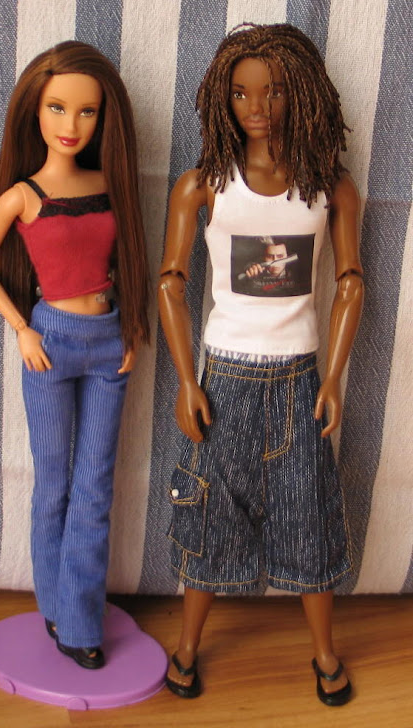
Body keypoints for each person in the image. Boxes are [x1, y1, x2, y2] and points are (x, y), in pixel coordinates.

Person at [158, 23, 363, 705]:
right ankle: (187, 646)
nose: (257, 106)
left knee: (309, 516)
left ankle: (325, 653)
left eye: (273, 91)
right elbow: (170, 283)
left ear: (299, 94)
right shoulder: (202, 187)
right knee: (210, 516)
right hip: (224, 381)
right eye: (242, 93)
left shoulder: (328, 188)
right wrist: (186, 381)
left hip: (300, 381)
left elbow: (350, 283)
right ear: (223, 97)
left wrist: (333, 378)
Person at [0, 41, 149, 669]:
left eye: (87, 111)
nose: (71, 125)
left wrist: (131, 329)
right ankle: (55, 605)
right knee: (53, 484)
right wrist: (21, 327)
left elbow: (127, 261)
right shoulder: (21, 197)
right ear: (35, 111)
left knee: (95, 486)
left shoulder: (108, 185)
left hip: (108, 343)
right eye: (57, 108)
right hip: (50, 344)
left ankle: (79, 621)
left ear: (104, 117)